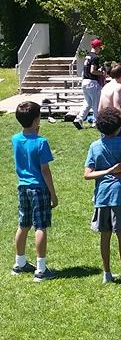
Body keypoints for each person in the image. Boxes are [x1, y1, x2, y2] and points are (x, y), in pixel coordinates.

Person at [84, 107, 121, 284]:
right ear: (118, 127)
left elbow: (87, 174)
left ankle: (106, 274)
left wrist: (107, 171)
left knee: (105, 235)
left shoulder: (95, 146)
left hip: (102, 195)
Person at [11, 100, 58, 282]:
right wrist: (53, 193)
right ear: (37, 119)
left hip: (22, 186)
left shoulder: (15, 139)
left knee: (23, 225)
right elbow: (45, 170)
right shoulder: (41, 142)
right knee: (40, 226)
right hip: (38, 188)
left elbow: (26, 146)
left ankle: (19, 263)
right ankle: (41, 269)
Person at [74, 37, 105, 129]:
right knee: (96, 103)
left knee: (88, 103)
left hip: (85, 81)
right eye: (100, 47)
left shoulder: (88, 55)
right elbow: (92, 71)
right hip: (92, 82)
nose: (100, 49)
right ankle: (96, 122)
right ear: (97, 47)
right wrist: (102, 73)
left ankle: (79, 118)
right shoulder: (95, 57)